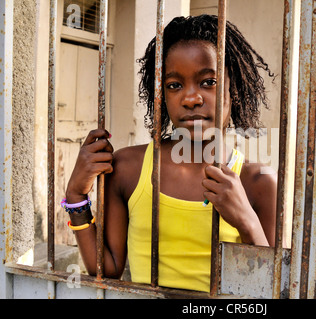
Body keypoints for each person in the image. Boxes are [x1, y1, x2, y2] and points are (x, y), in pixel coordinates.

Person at [63, 14, 277, 293]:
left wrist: (247, 221)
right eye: (174, 85)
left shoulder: (258, 182)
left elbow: (272, 286)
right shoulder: (128, 168)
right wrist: (77, 196)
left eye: (208, 82)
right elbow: (108, 269)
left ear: (232, 88)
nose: (191, 98)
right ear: (160, 95)